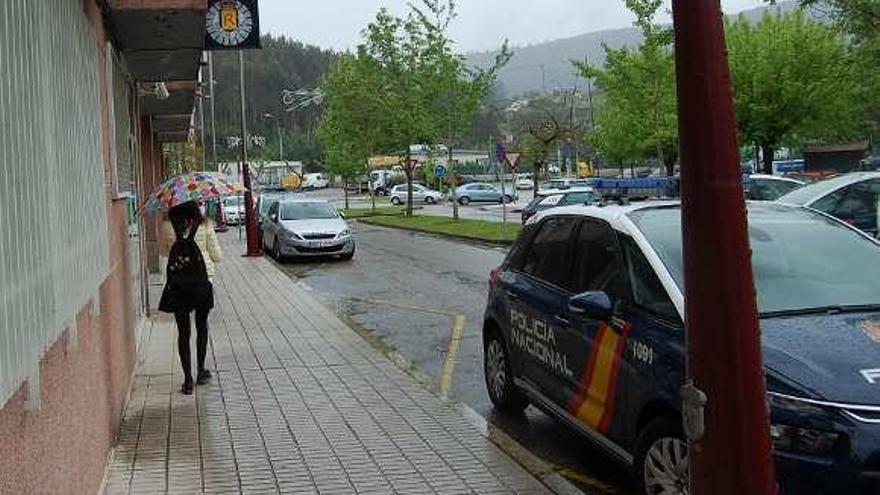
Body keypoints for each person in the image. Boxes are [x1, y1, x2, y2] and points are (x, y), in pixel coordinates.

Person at [158, 201, 223, 394]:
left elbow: (163, 252)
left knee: (183, 332)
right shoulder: (204, 225)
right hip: (202, 284)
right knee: (201, 326)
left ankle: (187, 380)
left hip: (178, 285)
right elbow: (217, 256)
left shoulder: (167, 226)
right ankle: (201, 370)